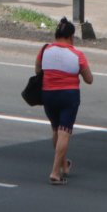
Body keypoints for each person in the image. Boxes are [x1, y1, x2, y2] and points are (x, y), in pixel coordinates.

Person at [34, 17, 93, 185]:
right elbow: (89, 79)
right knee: (65, 132)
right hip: (68, 96)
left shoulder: (45, 50)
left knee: (56, 130)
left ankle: (64, 165)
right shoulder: (77, 55)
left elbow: (38, 69)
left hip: (48, 96)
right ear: (70, 37)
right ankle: (55, 172)